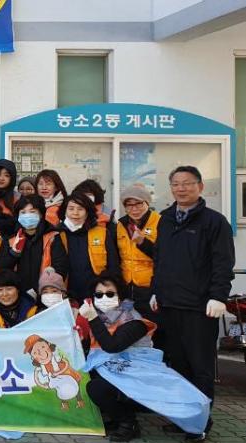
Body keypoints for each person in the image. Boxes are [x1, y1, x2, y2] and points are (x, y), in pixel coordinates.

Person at [82, 272, 212, 443]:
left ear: (120, 295)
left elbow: (112, 346)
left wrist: (92, 318)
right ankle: (120, 418)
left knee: (98, 388)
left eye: (110, 294)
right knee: (92, 383)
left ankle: (130, 424)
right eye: (99, 295)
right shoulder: (99, 319)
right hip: (117, 374)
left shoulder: (134, 321)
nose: (104, 298)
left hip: (141, 379)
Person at [151, 165, 234, 420]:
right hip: (169, 305)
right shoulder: (165, 219)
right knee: (177, 365)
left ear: (200, 186)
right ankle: (182, 418)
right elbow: (159, 259)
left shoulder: (214, 222)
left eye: (187, 183)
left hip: (199, 307)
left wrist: (218, 296)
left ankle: (200, 422)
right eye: (176, 184)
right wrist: (156, 291)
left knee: (200, 366)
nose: (181, 189)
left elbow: (223, 262)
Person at [52, 192, 119, 301]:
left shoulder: (102, 233)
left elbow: (113, 265)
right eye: (71, 209)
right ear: (64, 211)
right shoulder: (56, 234)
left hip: (98, 294)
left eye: (80, 209)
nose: (75, 213)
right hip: (66, 294)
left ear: (87, 212)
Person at [0, 195, 59, 298]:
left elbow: (60, 266)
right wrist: (13, 254)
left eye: (32, 212)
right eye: (23, 212)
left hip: (46, 293)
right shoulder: (11, 238)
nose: (28, 216)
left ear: (41, 214)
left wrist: (46, 288)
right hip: (17, 295)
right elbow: (0, 269)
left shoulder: (53, 236)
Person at [112, 184, 159, 320]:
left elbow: (166, 257)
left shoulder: (160, 222)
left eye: (138, 204)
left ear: (147, 203)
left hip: (150, 287)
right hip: (126, 286)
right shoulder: (121, 225)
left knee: (152, 325)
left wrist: (143, 243)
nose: (134, 209)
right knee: (128, 324)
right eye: (129, 205)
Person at [37, 266, 91, 348]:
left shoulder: (75, 313)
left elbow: (86, 344)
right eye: (45, 292)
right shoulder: (36, 314)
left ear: (63, 293)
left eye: (54, 291)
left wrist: (82, 339)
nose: (50, 294)